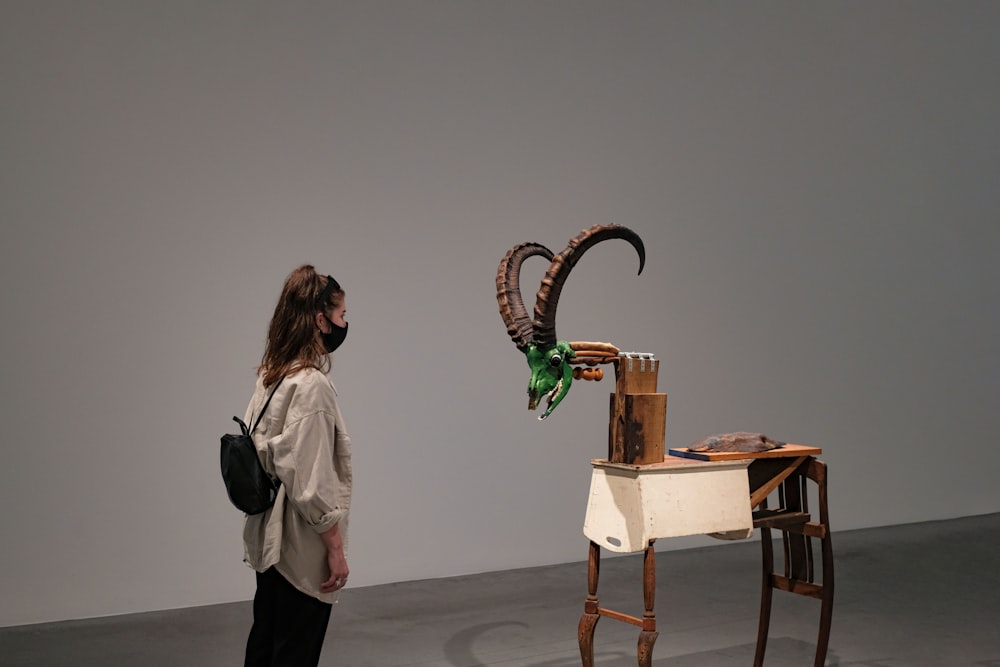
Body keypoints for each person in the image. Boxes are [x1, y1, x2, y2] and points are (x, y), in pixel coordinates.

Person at [242, 265, 353, 667]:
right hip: (299, 550)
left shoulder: (271, 376)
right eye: (341, 316)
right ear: (320, 320)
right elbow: (311, 483)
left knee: (265, 648)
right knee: (294, 655)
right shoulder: (311, 386)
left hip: (267, 541)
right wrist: (336, 549)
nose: (345, 325)